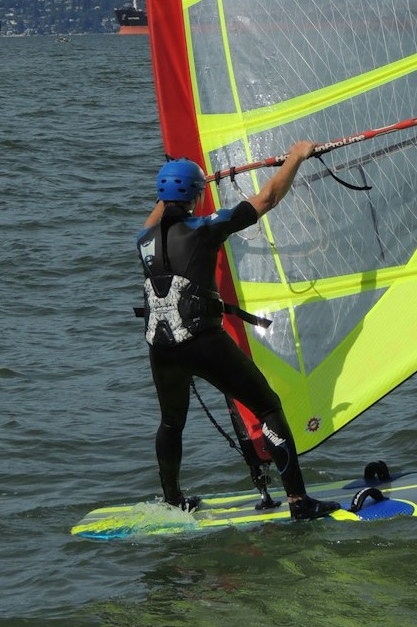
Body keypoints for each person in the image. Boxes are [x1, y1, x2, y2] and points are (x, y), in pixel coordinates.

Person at [137, 143, 338, 521]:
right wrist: (297, 156)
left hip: (161, 348)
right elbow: (267, 198)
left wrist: (176, 184)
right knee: (267, 406)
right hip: (204, 343)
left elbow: (157, 218)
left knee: (171, 422)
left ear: (161, 195)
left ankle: (173, 500)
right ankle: (298, 501)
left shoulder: (142, 240)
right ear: (196, 195)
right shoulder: (204, 229)